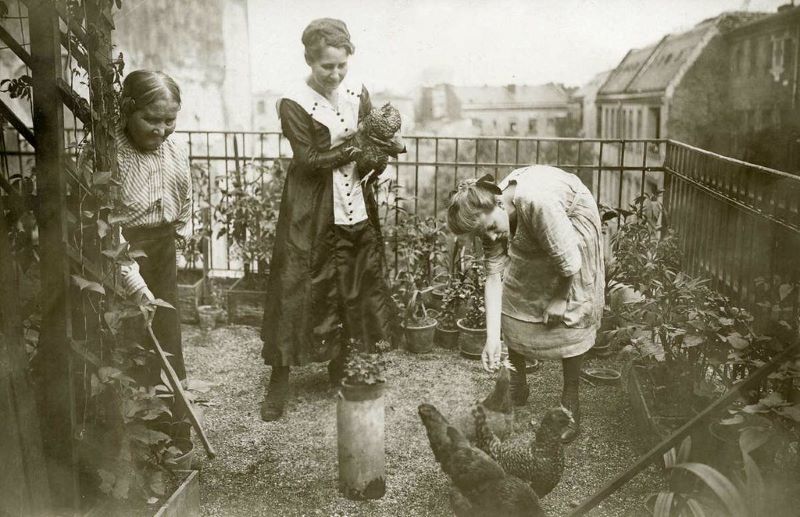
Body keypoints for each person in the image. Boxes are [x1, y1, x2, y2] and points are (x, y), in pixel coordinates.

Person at [259, 18, 403, 422]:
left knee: (353, 282)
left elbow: (374, 138)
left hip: (354, 198)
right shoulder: (293, 101)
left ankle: (340, 363)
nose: (336, 74)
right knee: (300, 284)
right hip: (312, 204)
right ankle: (280, 378)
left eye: (342, 65)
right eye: (327, 67)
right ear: (310, 60)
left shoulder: (358, 91)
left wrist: (379, 157)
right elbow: (307, 160)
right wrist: (353, 149)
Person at [447, 167, 604, 442]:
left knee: (571, 310)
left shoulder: (537, 203)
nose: (493, 238)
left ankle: (571, 398)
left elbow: (569, 261)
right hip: (533, 224)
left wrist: (559, 298)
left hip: (571, 219)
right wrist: (492, 339)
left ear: (498, 203)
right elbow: (495, 278)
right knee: (516, 291)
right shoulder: (490, 217)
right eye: (486, 234)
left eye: (494, 229)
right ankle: (516, 384)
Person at [80, 69, 192, 437]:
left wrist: (182, 233)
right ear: (127, 110)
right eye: (151, 119)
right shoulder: (109, 155)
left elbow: (185, 197)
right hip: (123, 254)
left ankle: (175, 430)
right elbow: (104, 225)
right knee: (133, 340)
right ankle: (138, 436)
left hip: (162, 251)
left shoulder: (175, 149)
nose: (161, 130)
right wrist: (131, 278)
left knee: (167, 336)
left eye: (169, 120)